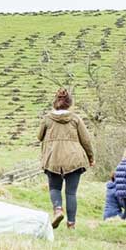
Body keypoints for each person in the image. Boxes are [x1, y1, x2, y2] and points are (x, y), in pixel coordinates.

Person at [34, 87, 94, 230]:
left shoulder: (47, 119)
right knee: (71, 192)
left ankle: (58, 210)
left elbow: (39, 136)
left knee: (55, 188)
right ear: (69, 103)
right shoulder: (75, 119)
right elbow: (86, 140)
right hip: (74, 160)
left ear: (55, 102)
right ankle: (71, 225)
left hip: (53, 159)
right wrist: (91, 157)